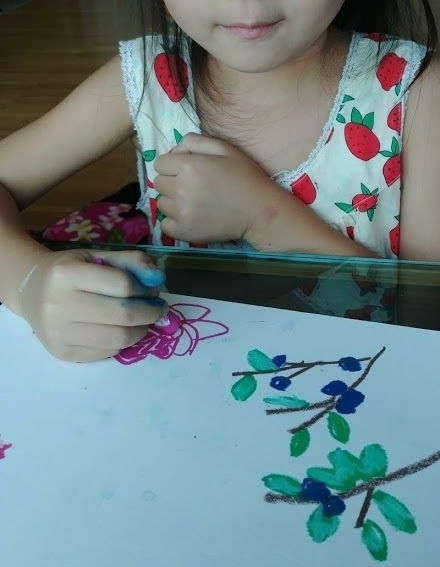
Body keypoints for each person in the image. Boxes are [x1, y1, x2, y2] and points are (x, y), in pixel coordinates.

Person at [0, 0, 439, 362]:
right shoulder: (146, 75)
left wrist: (264, 217)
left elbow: (425, 317)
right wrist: (28, 280)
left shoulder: (417, 90)